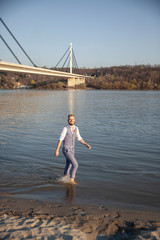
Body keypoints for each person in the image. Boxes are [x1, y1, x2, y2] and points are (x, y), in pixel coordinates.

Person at [55, 114, 91, 184]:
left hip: (72, 150)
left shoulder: (76, 128)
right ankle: (72, 180)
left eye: (73, 119)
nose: (71, 120)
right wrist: (57, 150)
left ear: (75, 120)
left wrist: (86, 144)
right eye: (70, 119)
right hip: (66, 149)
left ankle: (65, 176)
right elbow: (60, 139)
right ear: (68, 120)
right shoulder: (65, 128)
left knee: (69, 164)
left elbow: (79, 138)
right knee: (75, 164)